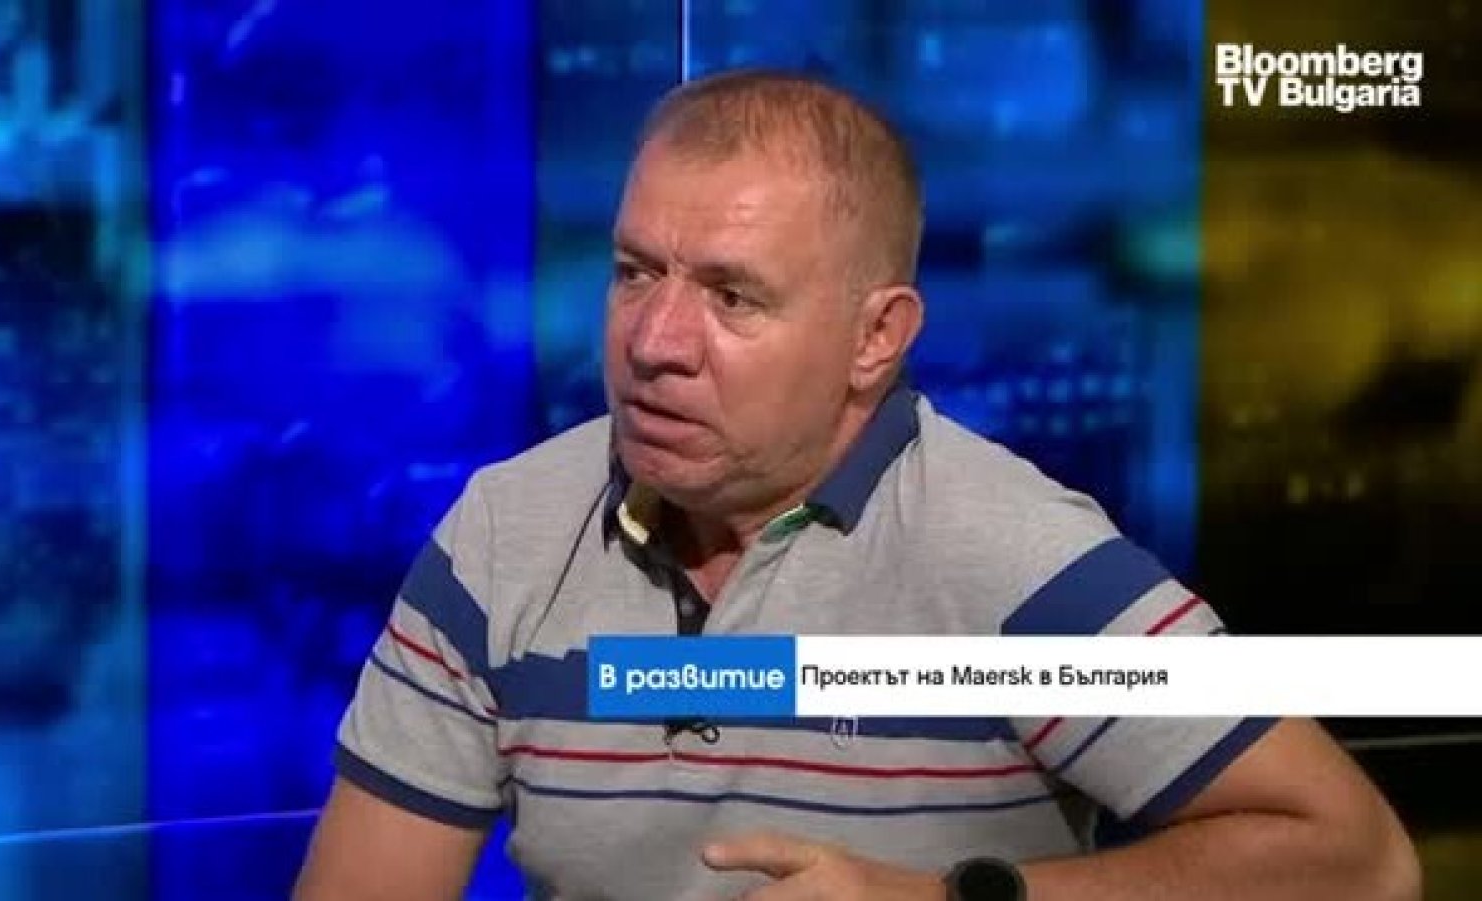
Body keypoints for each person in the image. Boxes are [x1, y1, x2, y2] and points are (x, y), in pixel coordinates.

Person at [294, 70, 1421, 900]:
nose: (655, 341)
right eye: (635, 273)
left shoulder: (1011, 555)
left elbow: (1358, 861)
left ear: (875, 338)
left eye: (732, 297)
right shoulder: (506, 532)